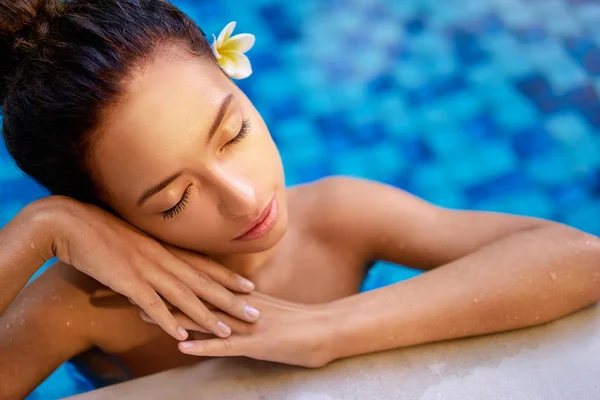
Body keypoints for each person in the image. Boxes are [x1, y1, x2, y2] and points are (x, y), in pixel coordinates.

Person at [0, 0, 599, 398]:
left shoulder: (337, 217)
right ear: (104, 215)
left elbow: (577, 256)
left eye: (233, 133)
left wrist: (329, 328)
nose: (244, 197)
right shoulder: (85, 303)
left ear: (235, 79)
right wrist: (40, 228)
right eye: (176, 200)